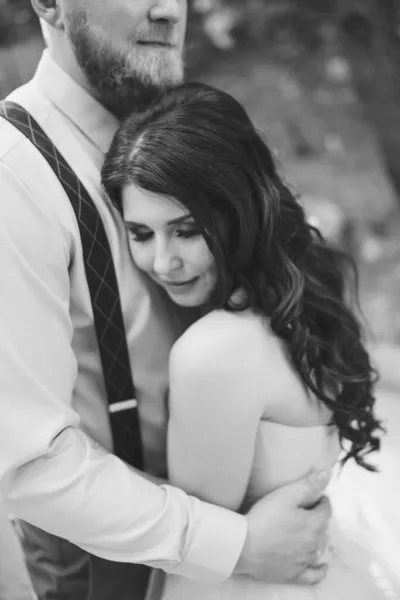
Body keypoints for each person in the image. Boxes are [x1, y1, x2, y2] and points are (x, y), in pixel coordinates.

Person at [0, 2, 332, 600]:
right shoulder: (12, 174)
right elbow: (25, 459)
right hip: (106, 565)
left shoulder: (189, 134)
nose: (166, 7)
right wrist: (236, 545)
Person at [101, 82, 400, 599]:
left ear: (238, 208)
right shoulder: (299, 300)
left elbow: (198, 555)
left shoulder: (213, 352)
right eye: (142, 234)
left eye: (187, 230)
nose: (164, 262)